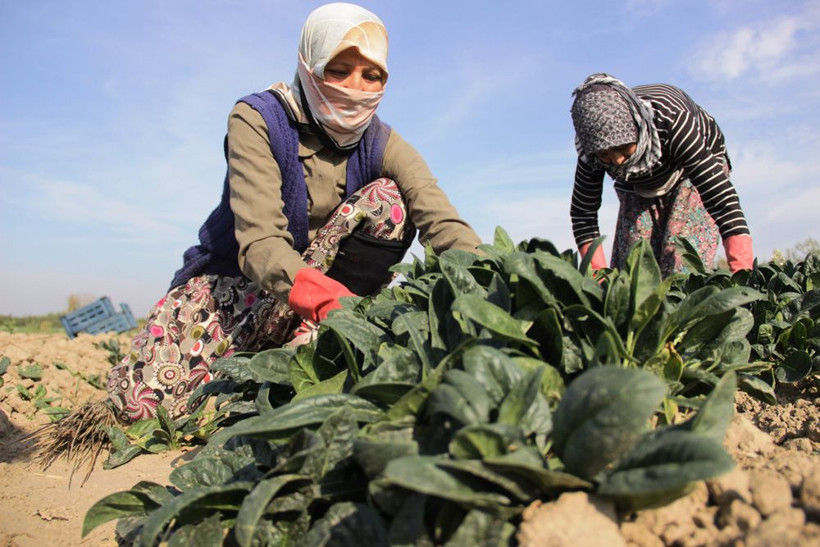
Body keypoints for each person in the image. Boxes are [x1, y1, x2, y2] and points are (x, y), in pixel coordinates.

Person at [105, 2, 482, 423]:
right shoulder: (259, 119)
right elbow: (260, 243)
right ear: (310, 64)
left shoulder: (383, 143)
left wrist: (493, 281)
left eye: (371, 75)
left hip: (326, 309)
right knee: (141, 408)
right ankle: (262, 364)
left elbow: (440, 219)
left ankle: (310, 351)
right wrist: (327, 301)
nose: (356, 86)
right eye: (339, 69)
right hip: (239, 288)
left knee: (390, 201)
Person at [569, 73, 754, 275]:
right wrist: (598, 277)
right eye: (605, 154)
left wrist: (742, 273)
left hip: (687, 174)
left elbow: (721, 199)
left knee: (680, 264)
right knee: (634, 271)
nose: (617, 160)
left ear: (637, 130)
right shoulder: (591, 153)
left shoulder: (671, 120)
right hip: (638, 185)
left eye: (623, 148)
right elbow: (583, 214)